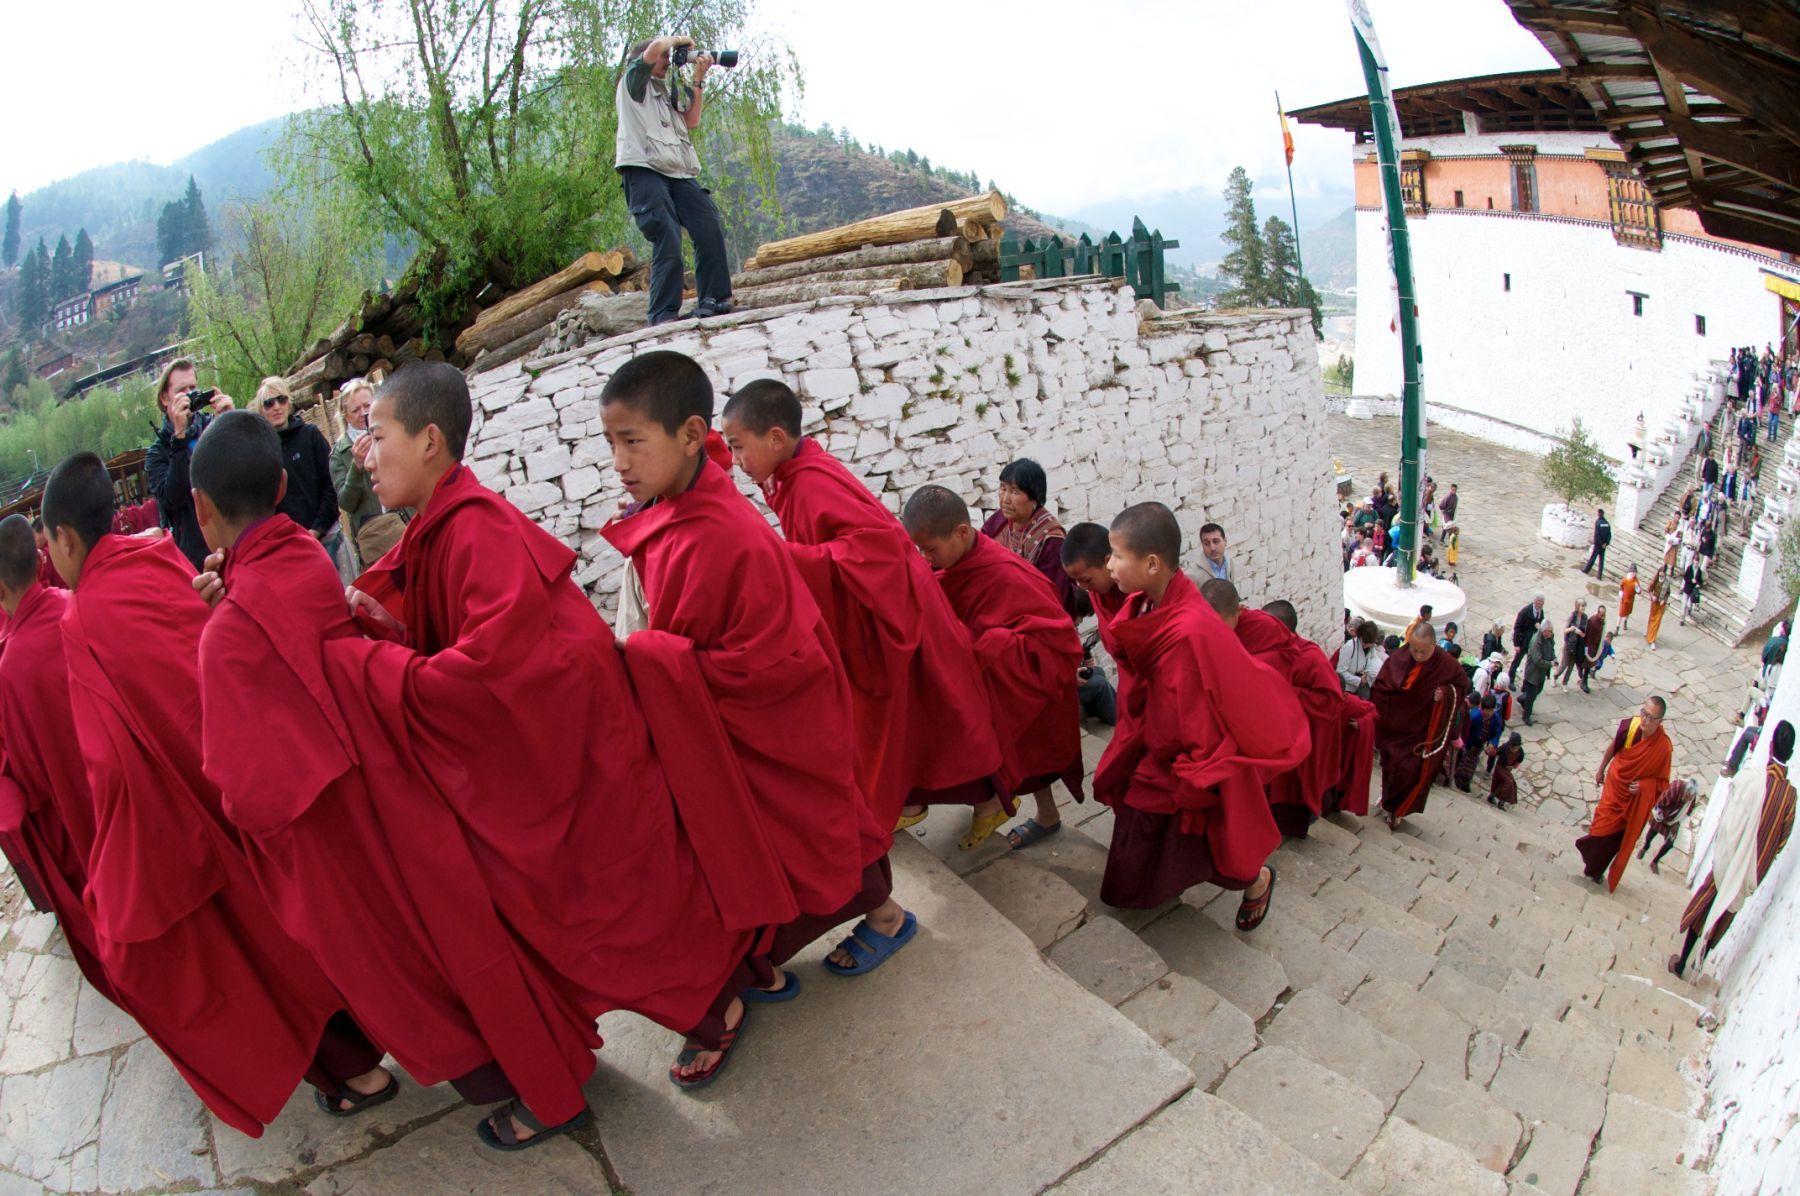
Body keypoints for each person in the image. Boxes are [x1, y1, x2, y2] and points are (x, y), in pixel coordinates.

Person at [315, 360, 764, 1116]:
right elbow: (422, 617)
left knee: (621, 906)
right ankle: (721, 987)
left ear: (430, 441)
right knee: (594, 911)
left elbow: (488, 669)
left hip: (577, 760)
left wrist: (365, 667)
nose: (365, 452)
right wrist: (368, 625)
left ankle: (716, 1005)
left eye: (376, 433)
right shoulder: (441, 526)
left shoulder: (475, 530)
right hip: (552, 756)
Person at [188, 412, 611, 1150]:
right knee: (470, 946)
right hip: (402, 794)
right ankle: (555, 1064)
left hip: (342, 847)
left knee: (418, 983)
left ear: (199, 509)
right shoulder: (304, 559)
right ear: (287, 486)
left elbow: (244, 790)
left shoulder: (227, 636)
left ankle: (545, 1097)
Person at [39, 452, 392, 1138]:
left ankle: (358, 1074)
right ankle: (378, 1034)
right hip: (244, 767)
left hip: (194, 809)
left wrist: (115, 866)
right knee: (307, 924)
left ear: (65, 540)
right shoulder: (156, 556)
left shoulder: (81, 623)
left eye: (51, 544)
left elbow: (109, 764)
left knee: (258, 957)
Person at [597, 351, 900, 1067]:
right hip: (730, 722)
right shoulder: (680, 508)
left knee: (808, 836)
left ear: (688, 433)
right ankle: (761, 965)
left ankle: (876, 917)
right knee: (769, 848)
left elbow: (761, 657)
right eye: (611, 442)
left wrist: (640, 661)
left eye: (632, 441)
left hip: (775, 719)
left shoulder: (719, 536)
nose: (618, 462)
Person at [717, 380, 1003, 838]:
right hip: (877, 608)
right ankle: (910, 798)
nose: (736, 461)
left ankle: (988, 804)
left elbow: (877, 549)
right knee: (905, 723)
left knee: (937, 716)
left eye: (738, 447)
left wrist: (785, 559)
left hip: (895, 610)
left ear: (774, 439)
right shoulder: (795, 474)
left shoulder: (809, 483)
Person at [1091, 502, 1301, 925]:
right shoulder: (1153, 600)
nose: (1109, 564)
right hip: (1154, 741)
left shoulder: (1188, 628)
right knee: (1154, 833)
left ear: (1152, 564)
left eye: (1116, 556)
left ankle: (1257, 880)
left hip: (1185, 755)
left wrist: (1188, 770)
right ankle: (1153, 894)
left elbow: (1190, 706)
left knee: (1211, 839)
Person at [902, 485, 1085, 851]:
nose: (926, 558)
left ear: (962, 533)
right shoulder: (951, 565)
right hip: (977, 676)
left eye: (931, 549)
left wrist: (992, 646)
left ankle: (1038, 814)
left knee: (1029, 752)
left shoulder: (1006, 575)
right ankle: (982, 802)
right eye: (919, 550)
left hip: (1014, 678)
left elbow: (1062, 645)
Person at [0, 516, 115, 997]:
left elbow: (26, 771)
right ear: (41, 555)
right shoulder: (73, 605)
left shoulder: (9, 668)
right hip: (113, 787)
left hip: (72, 815)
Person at [1204, 580, 1347, 839]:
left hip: (1296, 729)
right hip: (1259, 723)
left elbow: (1330, 702)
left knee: (1289, 790)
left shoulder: (1305, 656)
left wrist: (1287, 695)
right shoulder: (1236, 628)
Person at [614, 36, 733, 325]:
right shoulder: (634, 82)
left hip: (677, 171)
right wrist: (679, 40)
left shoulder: (667, 92)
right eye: (666, 57)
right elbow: (655, 49)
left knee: (709, 224)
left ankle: (713, 300)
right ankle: (663, 315)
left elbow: (691, 121)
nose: (669, 60)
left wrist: (698, 78)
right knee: (666, 233)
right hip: (643, 169)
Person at [1670, 721, 1794, 978]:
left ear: (1770, 746)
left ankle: (1682, 962)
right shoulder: (1790, 797)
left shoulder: (1751, 777)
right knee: (1724, 915)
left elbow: (1728, 817)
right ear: (1790, 754)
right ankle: (1699, 962)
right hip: (1751, 871)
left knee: (1706, 905)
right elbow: (1781, 841)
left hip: (1729, 860)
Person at [1371, 621, 1470, 828]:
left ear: (1434, 644)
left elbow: (1462, 687)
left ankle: (1398, 810)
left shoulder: (1446, 664)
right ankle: (1389, 803)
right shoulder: (1400, 656)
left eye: (1423, 651)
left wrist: (1445, 694)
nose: (1417, 655)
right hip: (1395, 728)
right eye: (1414, 649)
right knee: (1390, 767)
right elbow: (1382, 686)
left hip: (1419, 733)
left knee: (1409, 771)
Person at [143, 357, 236, 568]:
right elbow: (171, 500)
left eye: (193, 387)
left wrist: (232, 421)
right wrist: (179, 437)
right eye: (181, 390)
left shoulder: (213, 427)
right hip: (194, 558)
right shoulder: (157, 453)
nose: (190, 395)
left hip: (233, 540)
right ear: (165, 398)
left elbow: (244, 472)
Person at [1575, 697, 1674, 891]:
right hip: (1615, 787)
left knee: (1614, 841)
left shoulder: (1664, 748)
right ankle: (1591, 864)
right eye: (1643, 713)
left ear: (1660, 721)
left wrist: (1645, 785)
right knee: (1599, 830)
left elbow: (1663, 784)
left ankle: (1595, 873)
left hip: (1632, 803)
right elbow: (1613, 747)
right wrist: (1601, 769)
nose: (1644, 719)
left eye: (1651, 717)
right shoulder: (1631, 727)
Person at [979, 458, 1083, 619]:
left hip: (1036, 616)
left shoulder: (1050, 539)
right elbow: (980, 553)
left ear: (1035, 498)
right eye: (1003, 488)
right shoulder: (999, 520)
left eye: (1014, 492)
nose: (1005, 499)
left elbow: (1053, 595)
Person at [254, 378, 343, 566]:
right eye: (269, 403)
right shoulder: (262, 452)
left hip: (327, 536)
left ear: (289, 402)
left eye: (281, 399)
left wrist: (316, 530)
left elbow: (331, 484)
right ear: (261, 410)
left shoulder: (310, 435)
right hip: (289, 549)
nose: (276, 407)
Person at [329, 377, 409, 569]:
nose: (363, 413)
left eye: (367, 405)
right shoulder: (339, 454)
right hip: (378, 537)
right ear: (345, 415)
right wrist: (356, 466)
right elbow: (346, 502)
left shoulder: (393, 432)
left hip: (410, 521)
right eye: (355, 410)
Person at [1637, 777, 1699, 874]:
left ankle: (1655, 861)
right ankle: (1645, 847)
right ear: (1685, 790)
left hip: (1674, 820)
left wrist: (1678, 823)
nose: (1687, 799)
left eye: (1689, 798)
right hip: (1662, 814)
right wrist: (1663, 818)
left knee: (1669, 844)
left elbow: (1688, 811)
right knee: (1652, 832)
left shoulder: (1692, 797)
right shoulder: (1676, 787)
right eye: (1687, 796)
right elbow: (1662, 802)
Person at [1456, 694, 1504, 792]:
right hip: (1469, 743)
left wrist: (1492, 743)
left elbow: (1497, 732)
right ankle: (1456, 779)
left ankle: (1466, 783)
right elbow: (1467, 730)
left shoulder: (1495, 719)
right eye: (1486, 710)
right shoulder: (1475, 716)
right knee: (1463, 760)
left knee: (1472, 764)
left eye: (1490, 710)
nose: (1487, 712)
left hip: (1480, 744)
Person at [1335, 619, 1385, 699]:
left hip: (1357, 691)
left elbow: (1372, 661)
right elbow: (1340, 672)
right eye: (1363, 641)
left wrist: (1368, 673)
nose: (1365, 645)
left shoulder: (1371, 648)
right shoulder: (1349, 647)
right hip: (1345, 690)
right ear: (1359, 636)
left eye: (1368, 643)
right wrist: (1359, 680)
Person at [1520, 623, 1556, 725]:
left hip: (1541, 673)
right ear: (1545, 632)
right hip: (1533, 673)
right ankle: (1526, 716)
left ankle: (1522, 699)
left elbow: (1551, 648)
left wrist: (1554, 658)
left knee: (1537, 691)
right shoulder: (1536, 641)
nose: (1551, 634)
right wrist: (1550, 664)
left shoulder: (1548, 638)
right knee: (1531, 696)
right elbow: (1538, 660)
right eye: (1550, 632)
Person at [1509, 593, 1546, 683]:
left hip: (1533, 643)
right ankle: (1511, 679)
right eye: (1540, 602)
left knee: (1531, 663)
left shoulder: (1541, 612)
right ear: (1536, 601)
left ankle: (1527, 681)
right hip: (1523, 641)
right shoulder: (1525, 611)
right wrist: (1516, 644)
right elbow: (1517, 627)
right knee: (1516, 661)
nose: (1542, 604)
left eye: (1543, 602)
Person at [1489, 733, 1525, 809]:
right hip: (1500, 767)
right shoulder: (1505, 747)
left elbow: (1519, 760)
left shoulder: (1520, 751)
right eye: (1513, 748)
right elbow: (1496, 752)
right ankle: (1501, 801)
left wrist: (1512, 766)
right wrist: (1490, 751)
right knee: (1508, 782)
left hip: (1508, 770)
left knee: (1508, 783)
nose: (1515, 750)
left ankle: (1492, 797)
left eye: (1516, 748)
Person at [1579, 604, 1607, 693]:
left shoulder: (1601, 621)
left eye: (1604, 615)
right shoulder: (1593, 621)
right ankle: (1584, 681)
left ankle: (1582, 673)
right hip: (1590, 646)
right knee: (1587, 664)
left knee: (1590, 664)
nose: (1603, 617)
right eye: (1601, 615)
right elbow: (1589, 636)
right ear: (1598, 613)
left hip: (1596, 645)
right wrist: (1587, 648)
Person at [1645, 566, 1672, 650]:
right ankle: (1648, 630)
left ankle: (1652, 640)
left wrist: (1664, 600)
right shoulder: (1655, 580)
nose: (1661, 575)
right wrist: (1652, 596)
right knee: (1652, 618)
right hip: (1654, 603)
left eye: (1663, 574)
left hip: (1661, 604)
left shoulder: (1667, 582)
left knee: (1657, 621)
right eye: (1660, 574)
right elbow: (1649, 589)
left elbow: (1668, 593)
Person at [1581, 507, 1611, 578]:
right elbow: (1609, 535)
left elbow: (1597, 534)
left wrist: (1599, 543)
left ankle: (1586, 570)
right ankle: (1599, 575)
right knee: (1601, 560)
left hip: (1598, 544)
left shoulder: (1598, 522)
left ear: (1599, 514)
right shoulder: (1607, 523)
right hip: (1603, 545)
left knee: (1593, 557)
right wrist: (1606, 543)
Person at [1680, 559, 1704, 625]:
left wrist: (1698, 584)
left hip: (1692, 590)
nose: (1696, 564)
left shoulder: (1699, 571)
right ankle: (1682, 619)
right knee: (1684, 604)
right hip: (1687, 589)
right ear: (1693, 561)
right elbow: (1685, 577)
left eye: (1697, 563)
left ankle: (1687, 613)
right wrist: (1691, 580)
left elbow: (1700, 580)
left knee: (1689, 605)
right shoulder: (1690, 568)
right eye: (1695, 562)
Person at [1617, 565, 1638, 633]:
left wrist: (1637, 588)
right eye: (1633, 572)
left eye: (1635, 572)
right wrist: (1621, 595)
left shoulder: (1636, 581)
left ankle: (1625, 622)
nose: (1634, 573)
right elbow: (1621, 588)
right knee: (1620, 614)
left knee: (1628, 612)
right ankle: (1617, 628)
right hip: (1624, 600)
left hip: (1630, 600)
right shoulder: (1625, 580)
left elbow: (1639, 591)